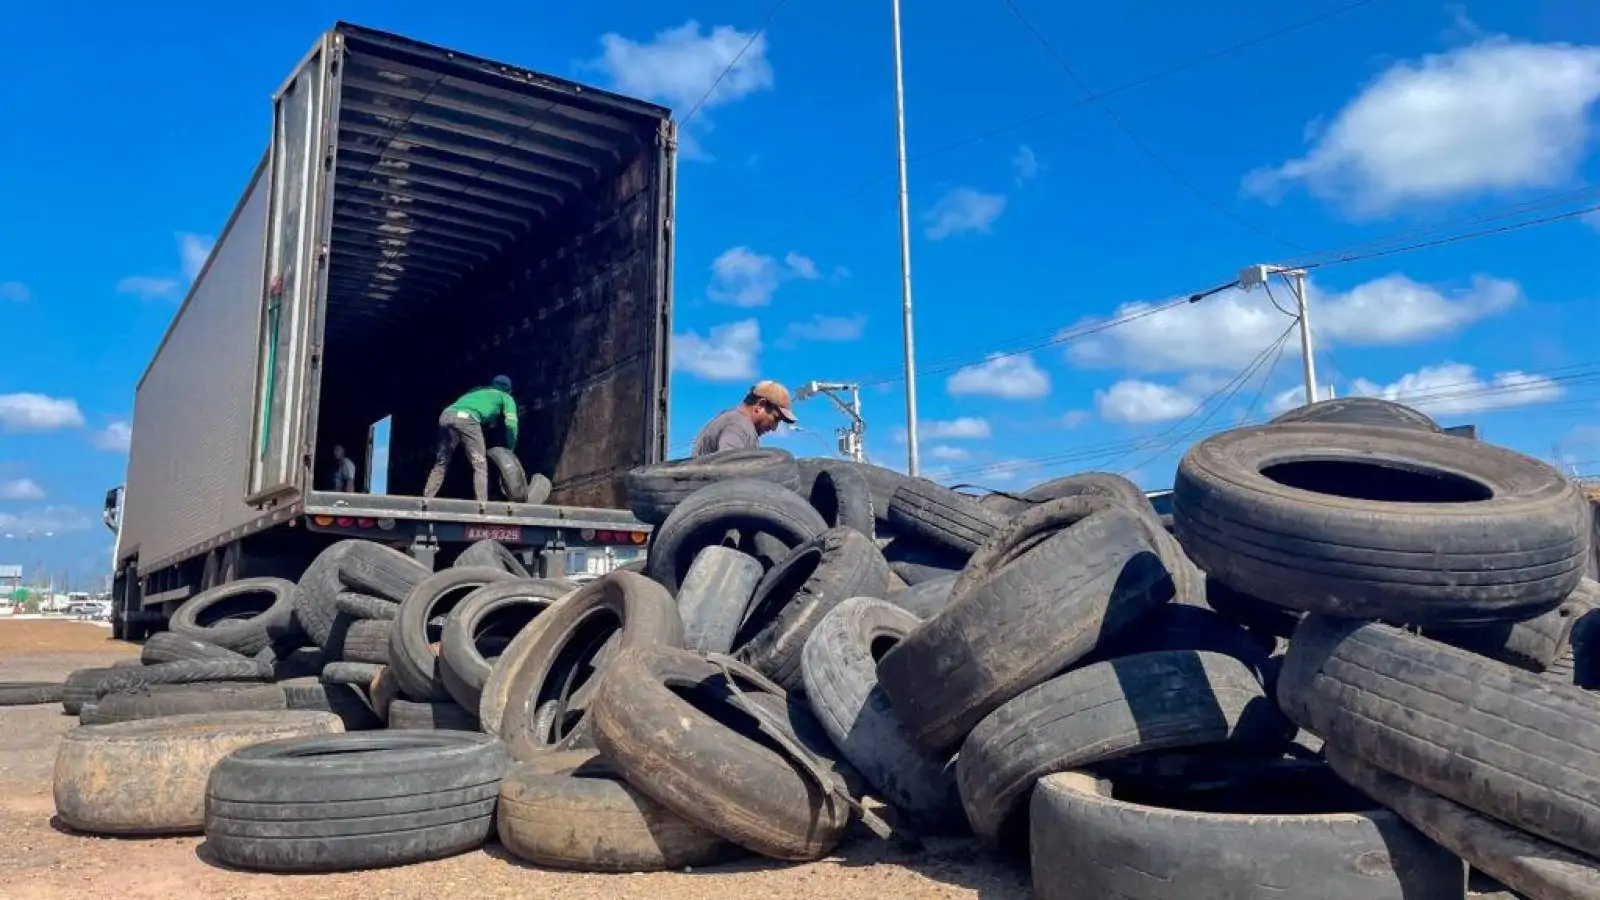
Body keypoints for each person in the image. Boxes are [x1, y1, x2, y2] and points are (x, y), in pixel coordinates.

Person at [423, 375, 519, 502]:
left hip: (446, 415)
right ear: (508, 389)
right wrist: (510, 449)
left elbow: (474, 407)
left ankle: (426, 498)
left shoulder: (477, 391)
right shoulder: (505, 397)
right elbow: (511, 425)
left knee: (442, 462)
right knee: (480, 463)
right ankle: (482, 504)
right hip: (467, 419)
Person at [691, 380, 797, 457]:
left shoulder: (733, 420)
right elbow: (727, 468)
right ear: (760, 405)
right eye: (775, 419)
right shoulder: (738, 425)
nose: (774, 428)